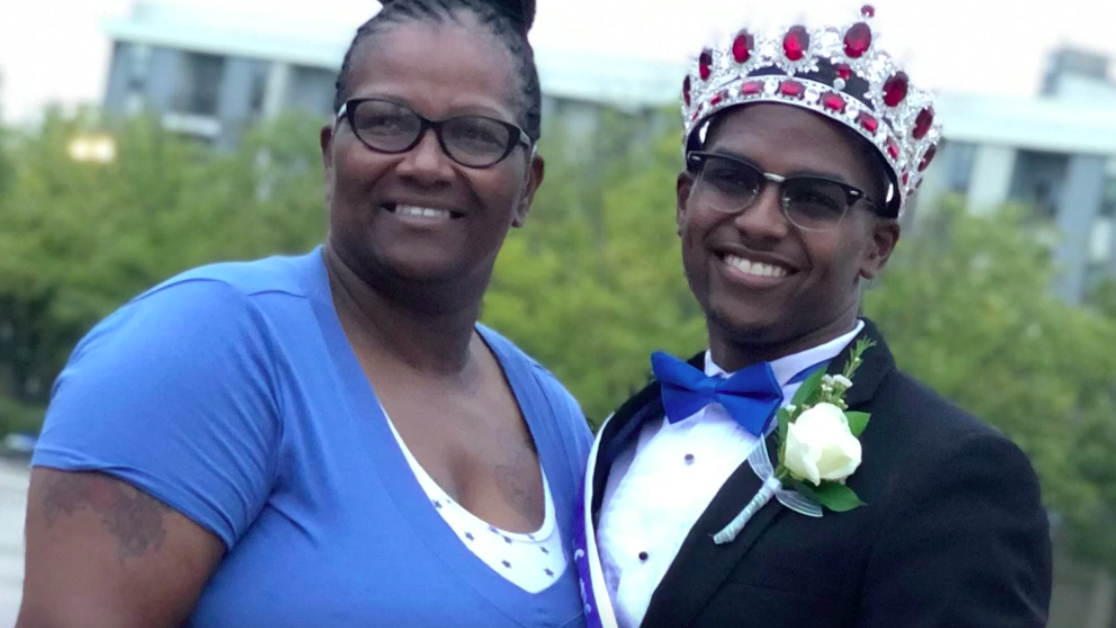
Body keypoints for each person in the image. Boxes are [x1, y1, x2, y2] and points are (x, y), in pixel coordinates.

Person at [18, 1, 593, 626]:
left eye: (476, 135)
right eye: (386, 121)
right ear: (330, 154)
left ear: (528, 188)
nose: (426, 164)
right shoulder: (203, 349)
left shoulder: (557, 425)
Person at [574, 7, 1052, 628]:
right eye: (733, 178)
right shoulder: (619, 433)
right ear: (686, 201)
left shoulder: (954, 477)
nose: (760, 221)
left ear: (877, 247)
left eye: (814, 199)